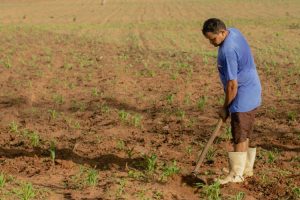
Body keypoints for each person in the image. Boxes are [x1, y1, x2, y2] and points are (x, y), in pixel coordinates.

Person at [202, 18, 262, 184]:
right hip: (252, 88)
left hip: (243, 94)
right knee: (245, 132)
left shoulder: (228, 51)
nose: (212, 43)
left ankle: (236, 175)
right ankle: (245, 169)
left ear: (222, 32)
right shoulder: (234, 31)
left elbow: (232, 85)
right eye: (209, 40)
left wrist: (225, 108)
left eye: (213, 39)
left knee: (239, 135)